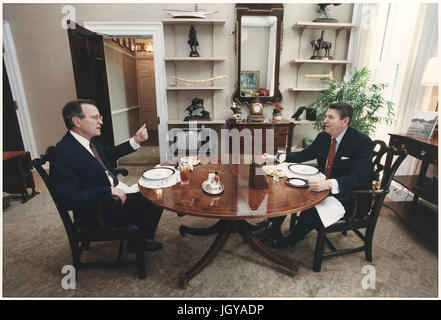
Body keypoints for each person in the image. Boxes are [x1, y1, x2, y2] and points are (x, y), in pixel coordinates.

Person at [50, 99, 163, 252]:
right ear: (77, 121)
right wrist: (107, 191)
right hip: (98, 212)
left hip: (113, 195)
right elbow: (67, 199)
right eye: (95, 117)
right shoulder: (64, 152)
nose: (101, 122)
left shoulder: (89, 141)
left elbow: (109, 155)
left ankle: (140, 237)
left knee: (156, 184)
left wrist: (135, 141)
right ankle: (139, 241)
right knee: (156, 196)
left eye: (100, 117)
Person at [260, 102, 373, 248]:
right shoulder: (323, 137)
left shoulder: (362, 142)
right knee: (286, 190)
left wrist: (328, 184)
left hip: (350, 197)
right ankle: (273, 229)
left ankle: (290, 240)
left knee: (311, 208)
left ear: (345, 121)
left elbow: (357, 177)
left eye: (330, 117)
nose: (325, 120)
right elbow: (303, 155)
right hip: (322, 186)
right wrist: (275, 157)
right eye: (326, 116)